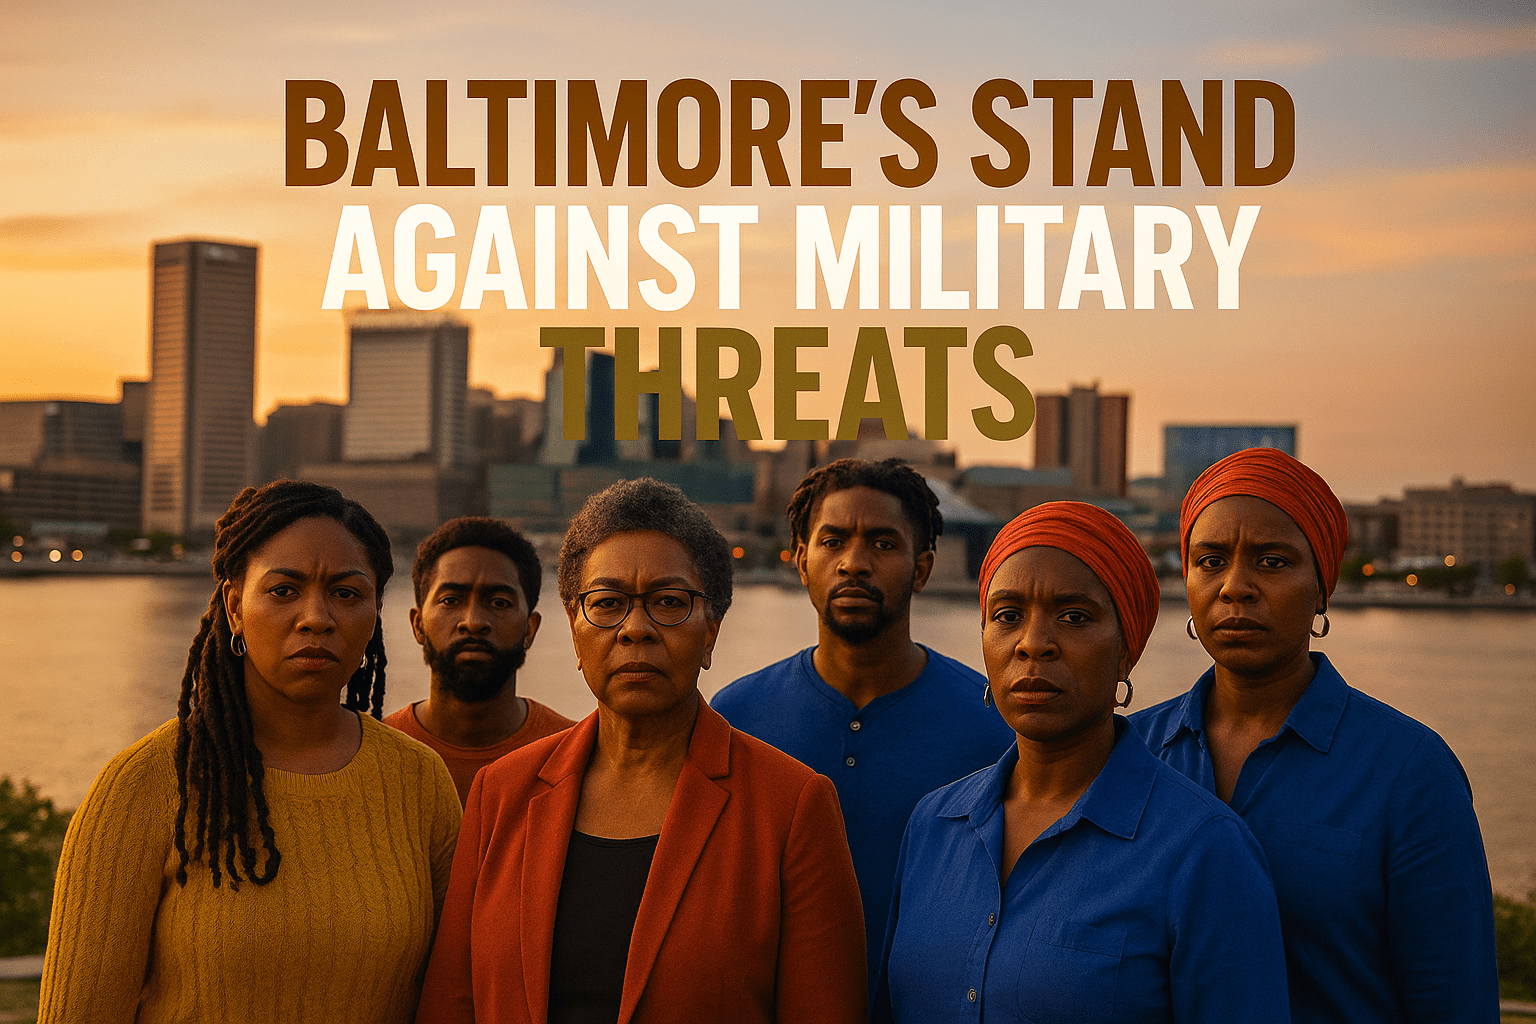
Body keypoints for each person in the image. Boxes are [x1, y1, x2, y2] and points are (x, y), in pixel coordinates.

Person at [416, 478, 866, 1024]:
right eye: (606, 604)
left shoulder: (793, 808)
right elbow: (450, 1003)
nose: (635, 629)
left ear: (710, 633)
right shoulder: (502, 791)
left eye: (669, 603)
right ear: (574, 630)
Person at [39, 480, 461, 1024]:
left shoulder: (418, 779)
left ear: (375, 612)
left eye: (346, 593)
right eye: (284, 590)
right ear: (235, 609)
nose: (316, 617)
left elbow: (452, 997)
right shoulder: (143, 784)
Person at [875, 501, 1290, 1024]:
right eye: (1007, 617)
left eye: (1074, 617)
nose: (1033, 644)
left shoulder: (1203, 850)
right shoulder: (934, 824)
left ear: (1125, 650)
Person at [1131, 447, 1499, 1023]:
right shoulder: (1131, 753)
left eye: (1272, 562)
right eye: (1210, 561)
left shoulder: (1409, 770)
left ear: (1323, 586)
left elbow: (1455, 1002)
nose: (1235, 586)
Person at [712, 458, 1015, 978]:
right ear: (802, 560)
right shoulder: (734, 718)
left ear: (921, 567)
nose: (854, 562)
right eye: (833, 542)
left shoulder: (994, 725)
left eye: (882, 543)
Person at [386, 516, 575, 805]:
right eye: (451, 600)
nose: (473, 622)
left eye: (499, 602)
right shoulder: (373, 754)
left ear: (530, 628)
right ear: (418, 624)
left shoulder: (574, 754)